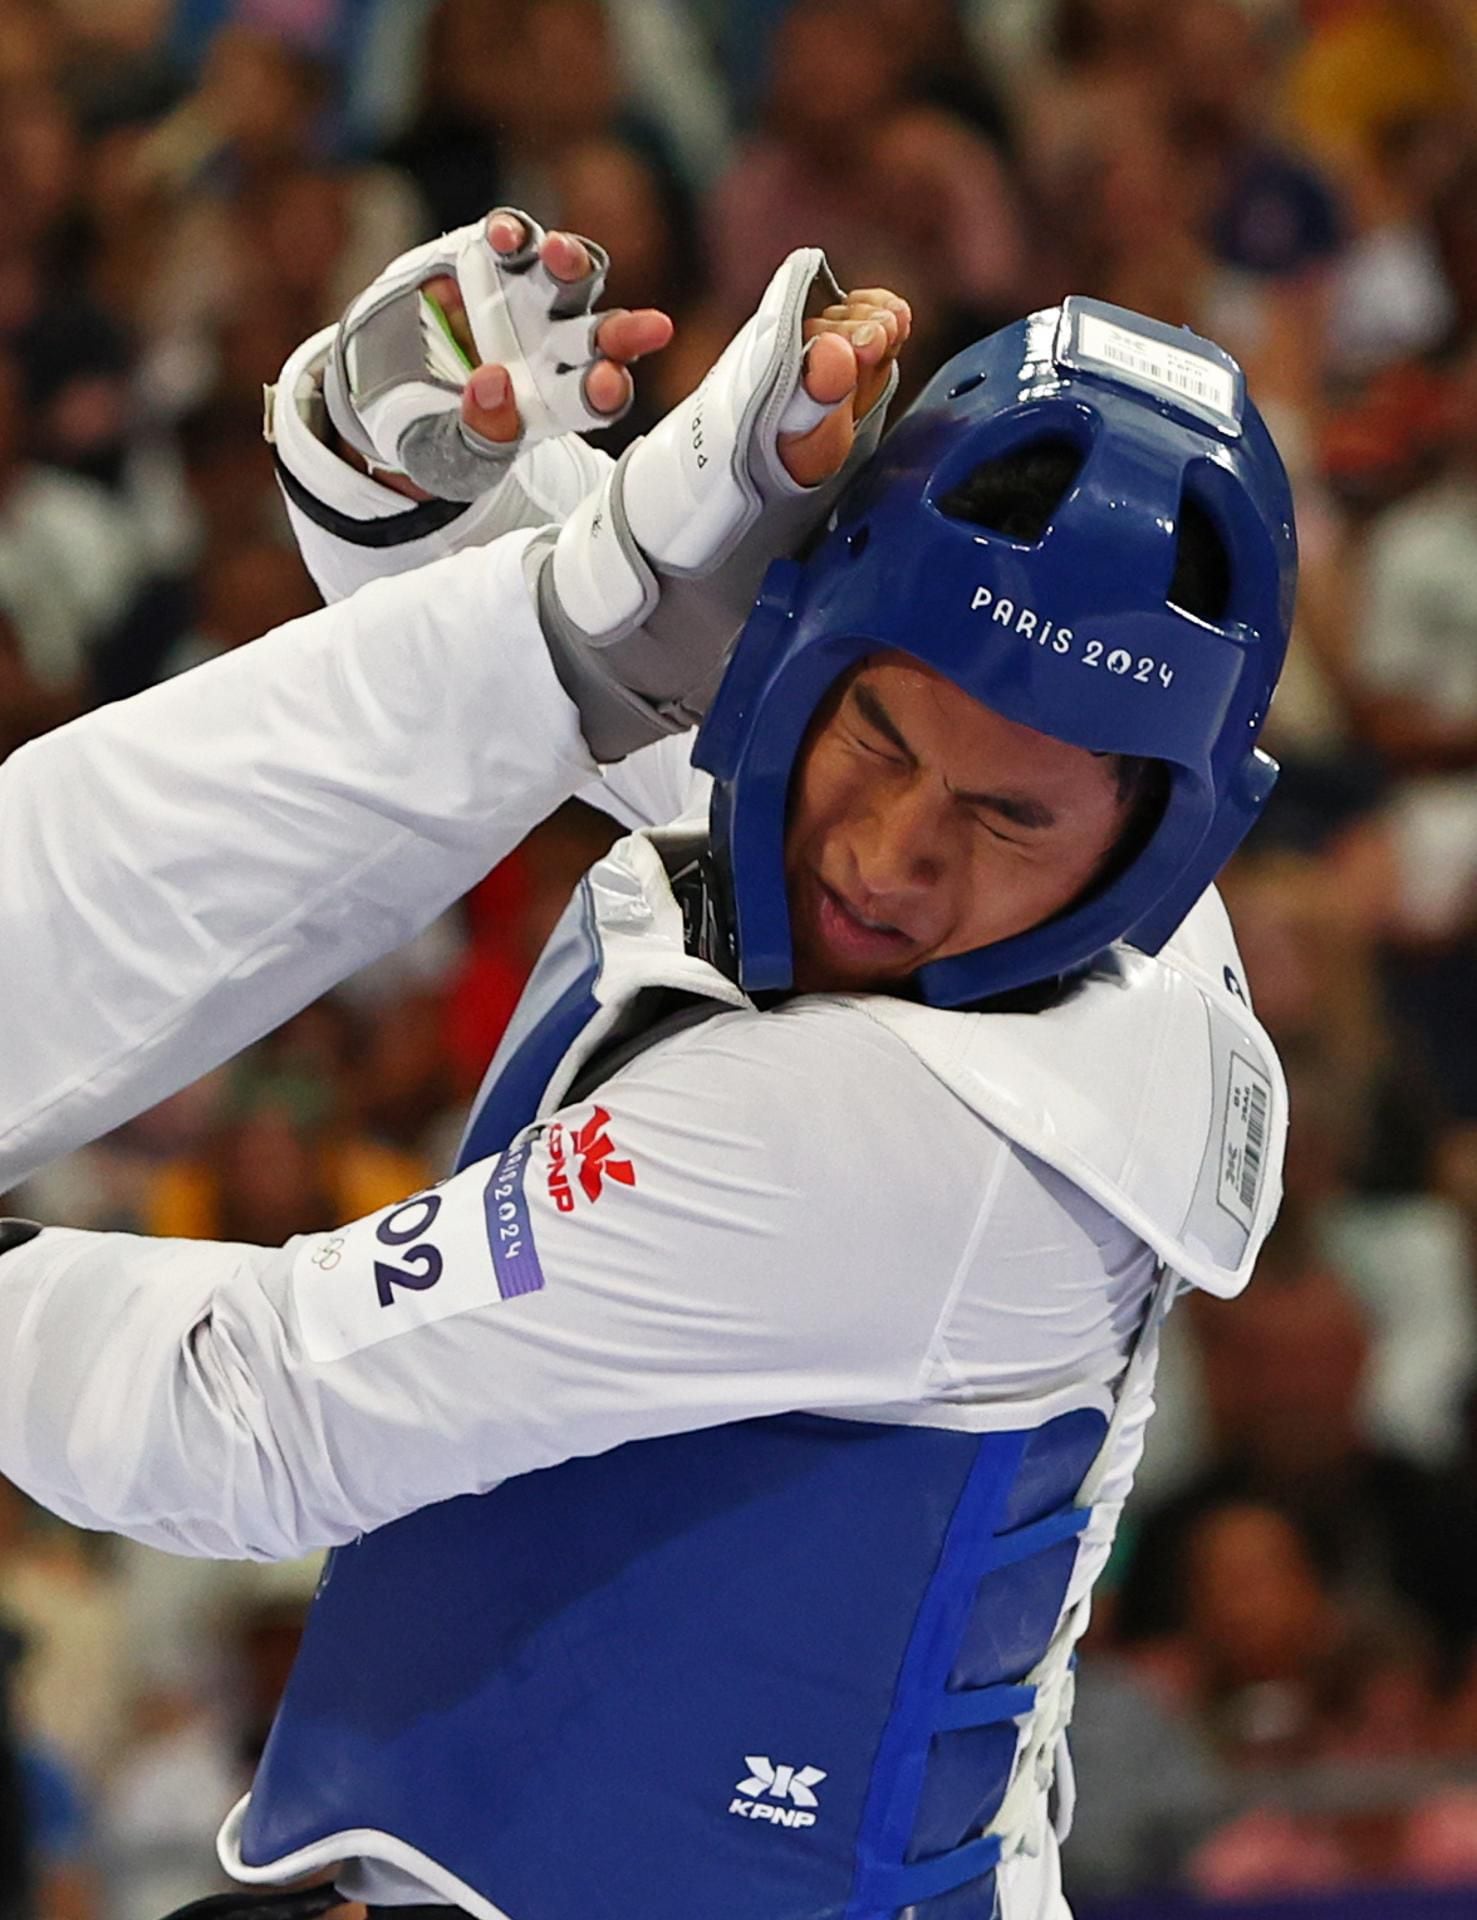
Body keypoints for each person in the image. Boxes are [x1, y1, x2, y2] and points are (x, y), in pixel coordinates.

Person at [0, 208, 1295, 1920]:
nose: (891, 856)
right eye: (877, 739)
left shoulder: (905, 1151)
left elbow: (245, 1420)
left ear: (1160, 848)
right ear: (807, 659)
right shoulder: (1001, 863)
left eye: (999, 818)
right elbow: (603, 672)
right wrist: (408, 470)